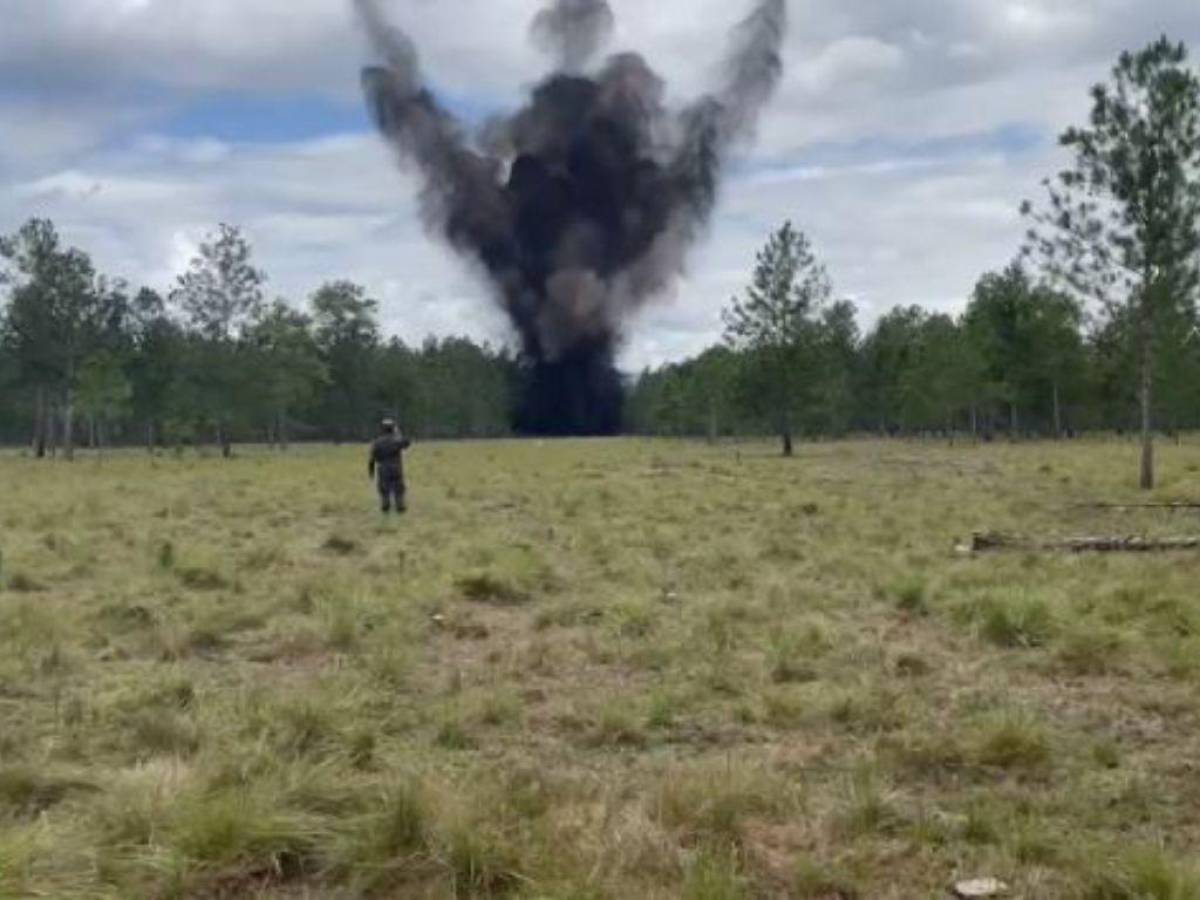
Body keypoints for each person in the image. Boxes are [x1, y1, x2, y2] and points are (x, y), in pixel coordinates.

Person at [368, 419, 412, 513]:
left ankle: (385, 506)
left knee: (384, 489)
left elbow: (372, 459)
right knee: (399, 489)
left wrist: (371, 472)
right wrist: (398, 433)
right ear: (393, 429)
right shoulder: (396, 440)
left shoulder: (377, 442)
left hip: (383, 469)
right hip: (396, 468)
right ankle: (400, 507)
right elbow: (407, 443)